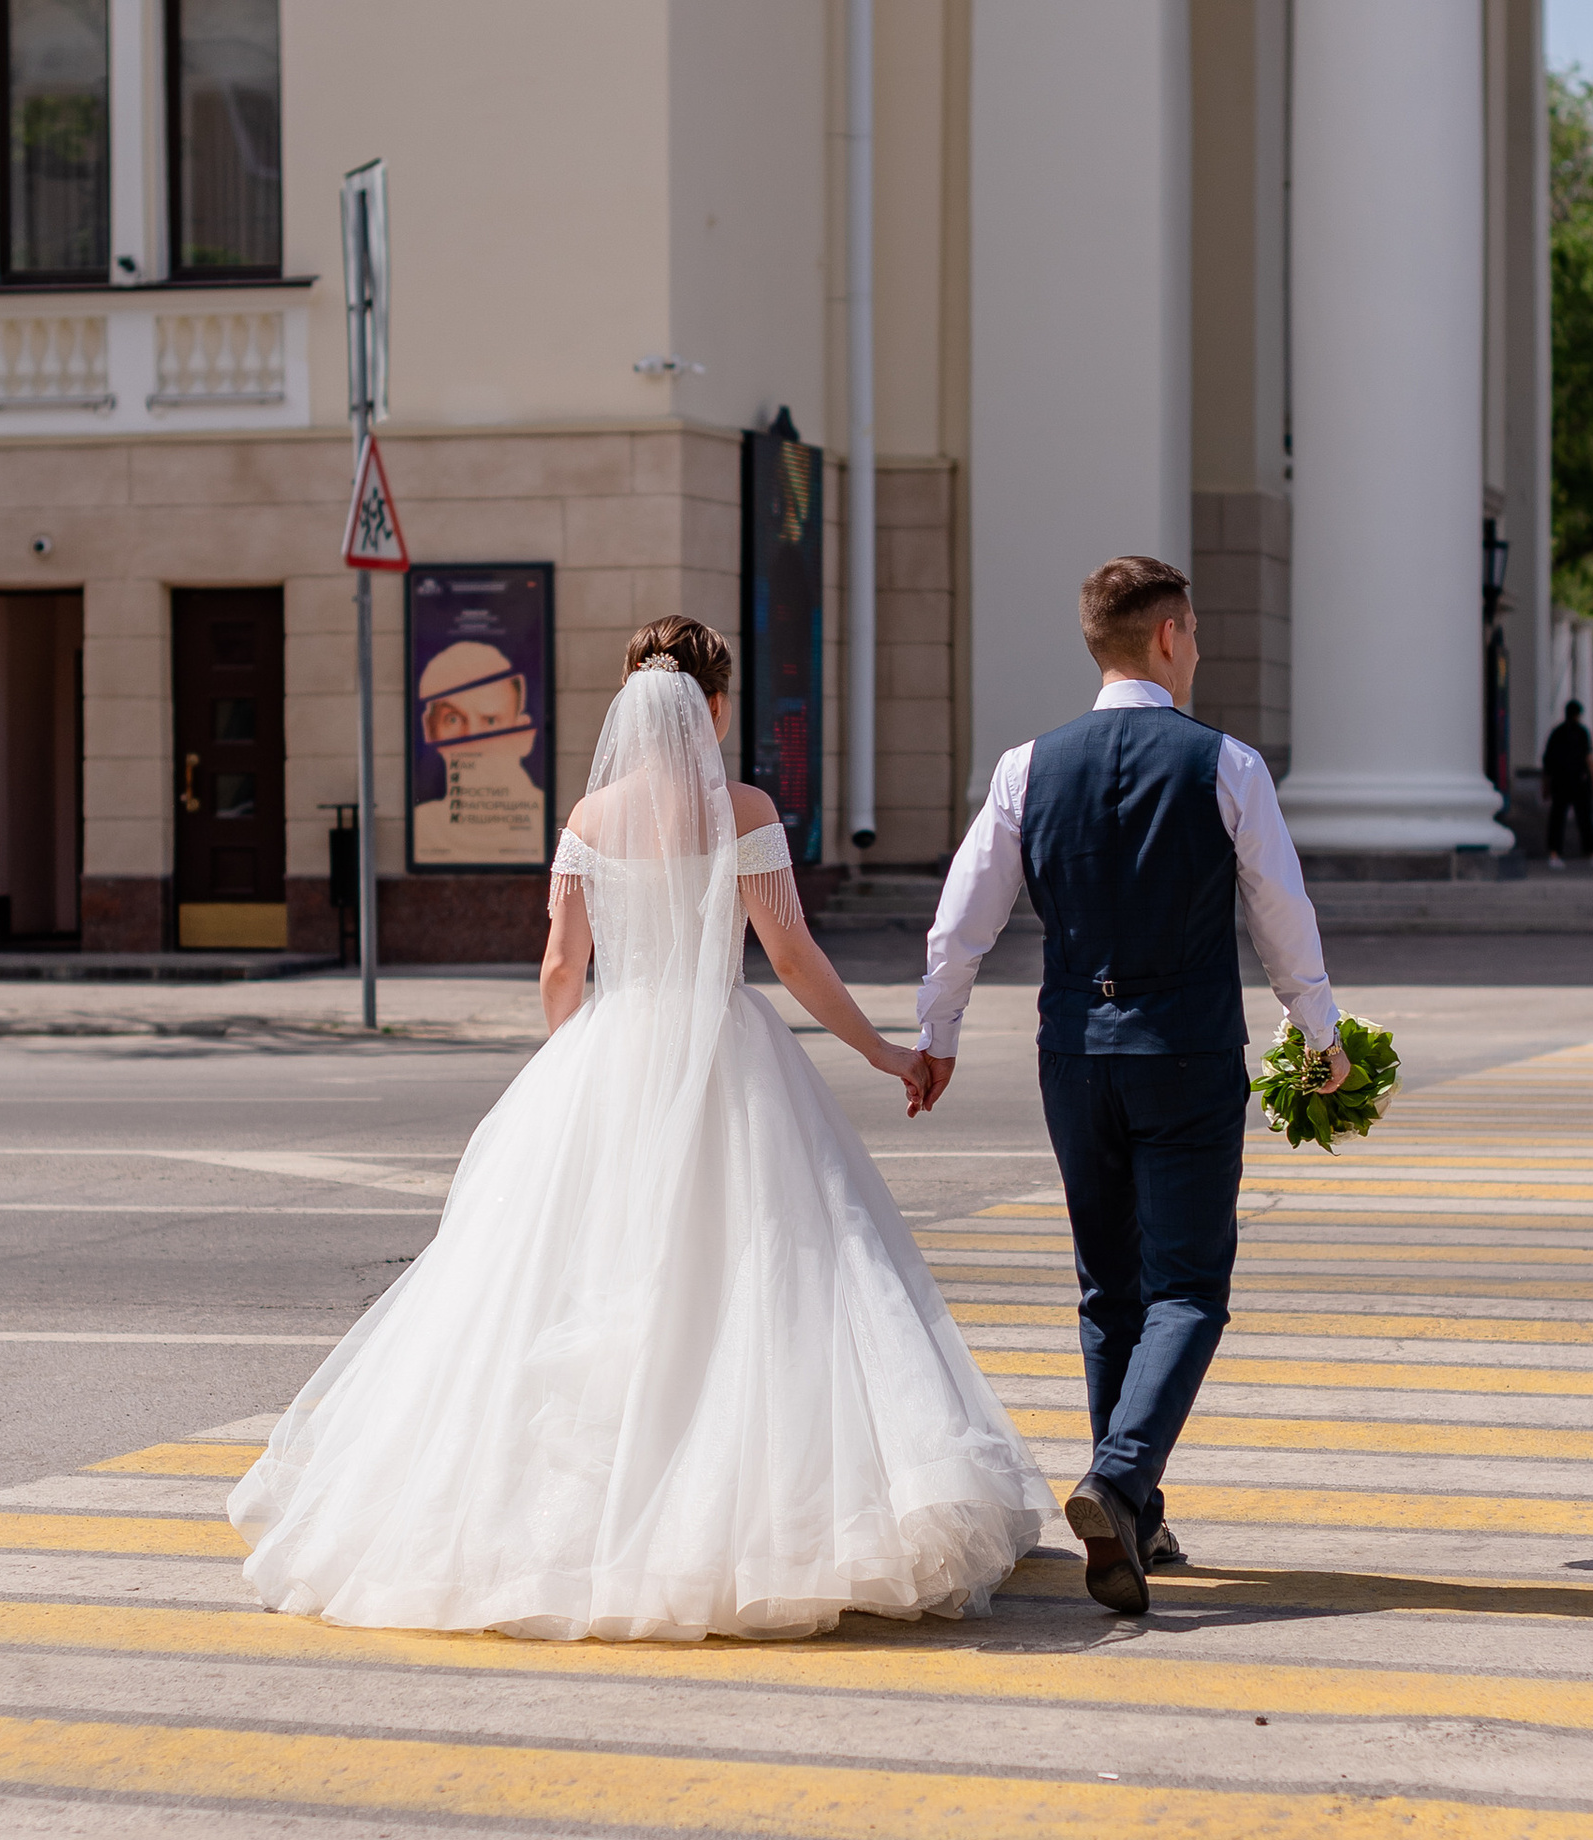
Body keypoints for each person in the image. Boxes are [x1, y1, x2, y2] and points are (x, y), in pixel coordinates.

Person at [231, 615, 1047, 1639]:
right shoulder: (742, 806)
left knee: (577, 1283)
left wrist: (568, 1072)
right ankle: (772, 1517)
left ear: (629, 702)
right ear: (712, 704)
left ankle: (557, 1519)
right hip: (724, 1051)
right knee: (765, 1278)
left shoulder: (589, 814)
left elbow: (559, 967)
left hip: (608, 1052)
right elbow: (788, 957)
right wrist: (882, 1052)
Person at [913, 552, 1345, 1621]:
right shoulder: (1225, 763)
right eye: (1191, 633)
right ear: (1165, 637)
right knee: (1190, 1287)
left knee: (1109, 1287)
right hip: (1186, 1050)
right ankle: (1117, 1479)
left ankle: (1136, 1519)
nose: (1195, 650)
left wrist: (938, 1032)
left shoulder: (1025, 767)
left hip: (1074, 1054)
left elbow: (963, 917)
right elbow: (1278, 915)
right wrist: (1318, 1029)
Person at [1540, 696, 1593, 867]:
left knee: (1557, 819)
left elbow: (1548, 761)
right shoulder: (1582, 732)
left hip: (1560, 781)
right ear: (1578, 715)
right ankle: (1590, 852)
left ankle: (1554, 853)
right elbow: (1588, 759)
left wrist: (1545, 786)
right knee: (1584, 818)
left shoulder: (1557, 733)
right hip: (1578, 782)